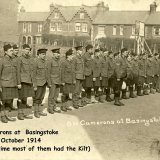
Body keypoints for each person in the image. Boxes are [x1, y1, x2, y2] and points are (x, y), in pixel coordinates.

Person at [0, 44, 20, 123]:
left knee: (10, 101)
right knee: (3, 101)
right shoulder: (2, 60)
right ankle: (2, 116)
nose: (12, 52)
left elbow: (17, 73)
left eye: (12, 50)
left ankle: (7, 115)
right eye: (10, 51)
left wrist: (18, 83)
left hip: (13, 84)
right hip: (4, 84)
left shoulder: (14, 60)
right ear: (5, 52)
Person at [17, 44, 34, 120]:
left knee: (25, 98)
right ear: (22, 49)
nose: (28, 51)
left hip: (28, 81)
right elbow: (18, 72)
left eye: (29, 49)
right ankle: (20, 114)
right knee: (21, 98)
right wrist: (18, 83)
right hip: (22, 81)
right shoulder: (20, 59)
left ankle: (23, 113)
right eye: (26, 49)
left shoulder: (30, 59)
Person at [32, 48, 48, 118]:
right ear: (38, 54)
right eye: (42, 54)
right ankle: (36, 112)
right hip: (38, 83)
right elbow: (33, 74)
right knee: (37, 97)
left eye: (45, 54)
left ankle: (39, 111)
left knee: (42, 97)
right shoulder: (35, 61)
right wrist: (34, 85)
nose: (44, 55)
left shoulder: (45, 62)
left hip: (44, 82)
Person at [47, 48, 62, 114]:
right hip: (52, 81)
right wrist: (49, 82)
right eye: (57, 53)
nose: (58, 55)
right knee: (51, 95)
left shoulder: (59, 61)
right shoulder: (50, 61)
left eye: (59, 53)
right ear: (53, 54)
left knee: (56, 95)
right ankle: (50, 108)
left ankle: (54, 107)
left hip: (58, 81)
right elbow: (48, 72)